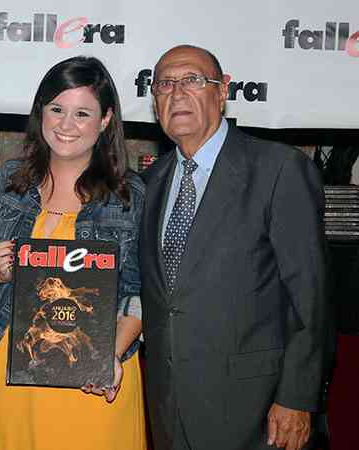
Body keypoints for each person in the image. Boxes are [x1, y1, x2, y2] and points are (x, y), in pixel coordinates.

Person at [139, 44, 328, 450]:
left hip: (258, 411)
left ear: (222, 91)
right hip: (169, 406)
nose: (177, 93)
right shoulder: (150, 184)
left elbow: (310, 296)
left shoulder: (278, 168)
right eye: (165, 84)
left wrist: (296, 397)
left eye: (192, 80)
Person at [0, 56, 147, 450]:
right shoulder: (11, 179)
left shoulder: (129, 194)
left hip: (94, 369)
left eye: (82, 113)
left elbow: (140, 293)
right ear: (41, 112)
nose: (66, 125)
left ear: (105, 120)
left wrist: (108, 357)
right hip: (13, 365)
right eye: (56, 109)